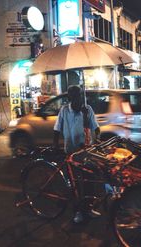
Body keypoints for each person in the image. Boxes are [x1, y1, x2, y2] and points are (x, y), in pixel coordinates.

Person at [53, 85, 101, 224]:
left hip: (86, 152)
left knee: (89, 181)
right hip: (71, 152)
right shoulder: (64, 110)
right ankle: (78, 211)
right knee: (75, 186)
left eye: (79, 95)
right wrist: (56, 146)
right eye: (73, 96)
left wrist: (97, 138)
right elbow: (57, 129)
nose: (77, 98)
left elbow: (96, 128)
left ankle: (88, 208)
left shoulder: (88, 110)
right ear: (69, 98)